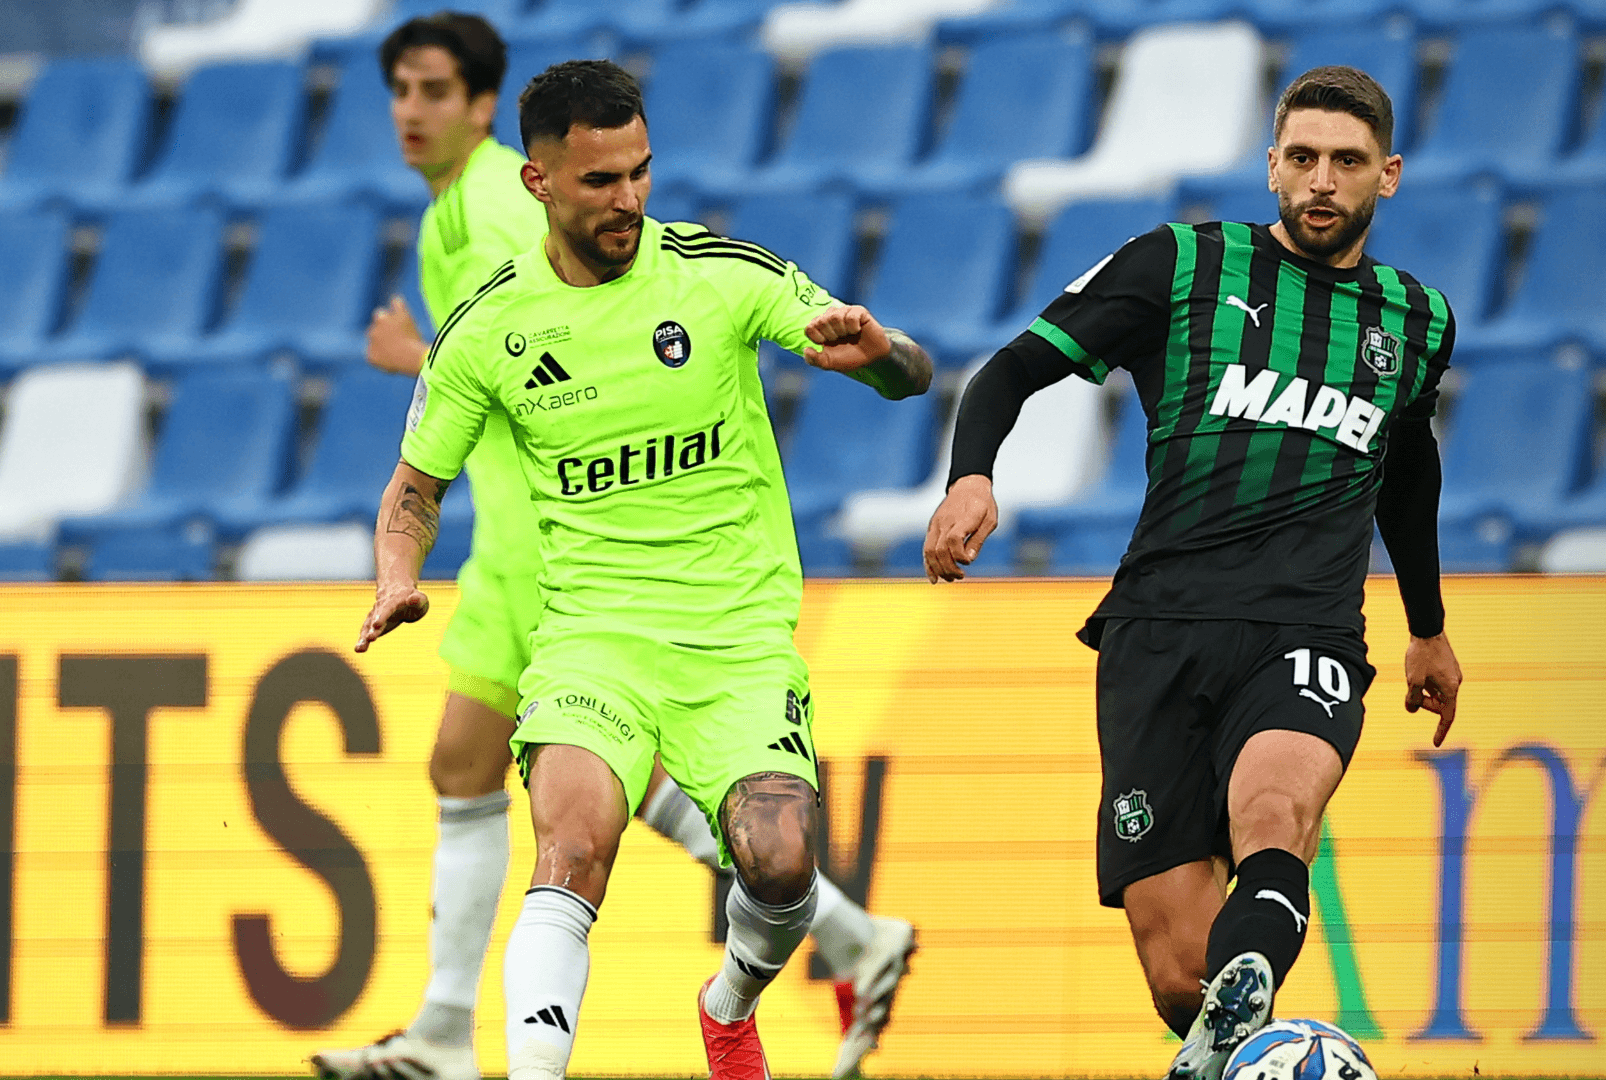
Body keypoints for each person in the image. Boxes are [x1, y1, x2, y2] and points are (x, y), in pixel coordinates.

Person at [337, 47, 930, 1080]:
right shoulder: (490, 326)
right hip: (589, 638)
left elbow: (910, 374)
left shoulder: (720, 274)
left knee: (782, 868)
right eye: (601, 180)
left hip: (735, 638)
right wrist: (397, 573)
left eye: (641, 172)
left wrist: (882, 356)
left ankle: (727, 1004)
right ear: (539, 182)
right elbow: (414, 489)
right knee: (570, 848)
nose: (629, 199)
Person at [923, 66, 1464, 1080]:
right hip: (1158, 632)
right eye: (1302, 157)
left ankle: (1254, 992)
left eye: (1347, 162)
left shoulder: (1415, 319)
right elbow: (1012, 369)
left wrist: (1426, 627)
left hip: (1306, 630)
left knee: (1276, 814)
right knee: (1180, 976)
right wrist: (971, 479)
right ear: (1272, 166)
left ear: (1387, 175)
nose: (1321, 180)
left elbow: (1406, 471)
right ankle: (1235, 1030)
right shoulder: (1180, 263)